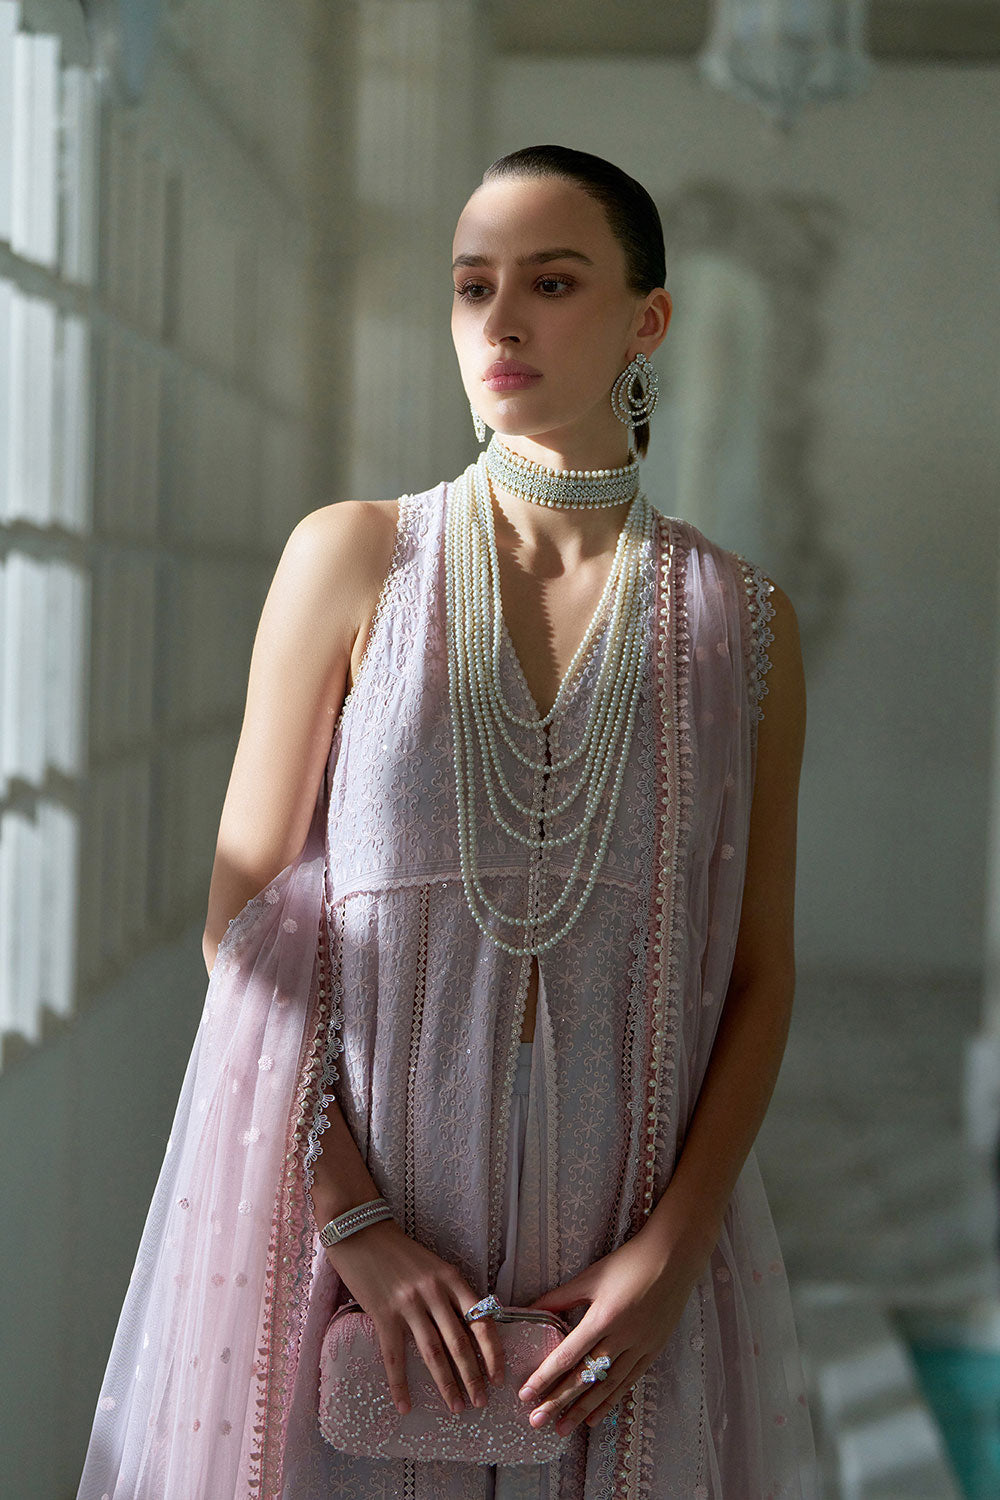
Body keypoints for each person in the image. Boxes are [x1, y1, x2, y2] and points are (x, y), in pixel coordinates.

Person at [78, 144, 817, 1498]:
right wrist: (351, 1216)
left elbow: (762, 973)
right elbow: (243, 927)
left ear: (647, 319)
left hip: (613, 1287)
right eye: (474, 286)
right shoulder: (354, 556)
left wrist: (671, 1255)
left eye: (553, 282)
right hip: (355, 1266)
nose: (503, 321)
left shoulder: (741, 625)